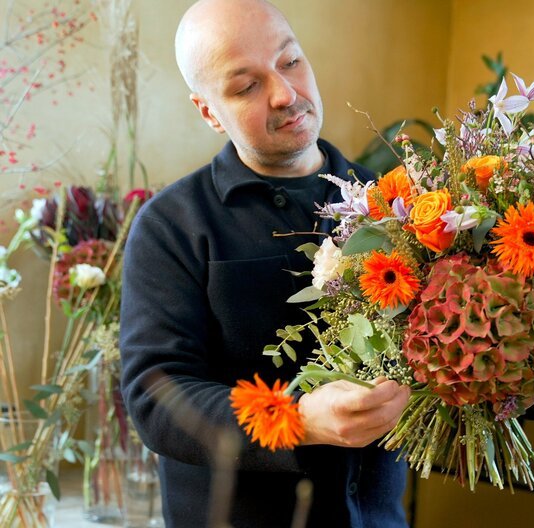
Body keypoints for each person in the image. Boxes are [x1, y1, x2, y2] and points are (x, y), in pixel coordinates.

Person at [119, 1, 411, 526]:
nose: (284, 93)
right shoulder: (171, 225)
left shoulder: (397, 204)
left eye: (291, 62)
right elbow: (156, 400)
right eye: (245, 86)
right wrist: (296, 420)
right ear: (208, 110)